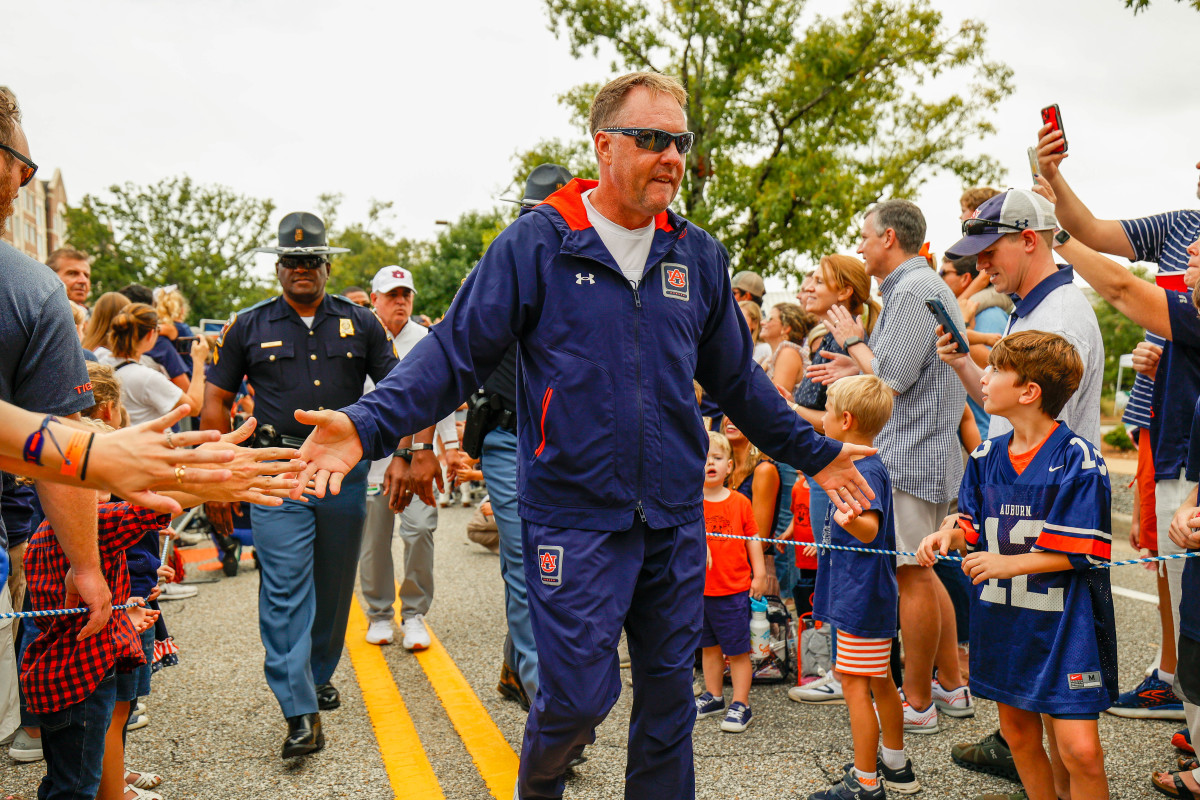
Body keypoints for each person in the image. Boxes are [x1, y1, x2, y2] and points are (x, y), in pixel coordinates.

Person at [290, 72, 875, 800]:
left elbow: (738, 384)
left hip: (671, 517)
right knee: (576, 700)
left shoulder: (697, 256)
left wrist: (814, 454)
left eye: (680, 142)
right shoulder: (538, 245)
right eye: (652, 139)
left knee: (668, 706)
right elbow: (452, 354)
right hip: (571, 515)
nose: (671, 157)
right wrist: (366, 425)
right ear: (603, 146)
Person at [201, 211, 399, 759]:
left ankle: (316, 672)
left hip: (340, 470)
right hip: (276, 468)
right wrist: (215, 471)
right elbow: (214, 399)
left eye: (311, 259)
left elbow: (399, 387)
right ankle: (299, 710)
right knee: (285, 585)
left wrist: (406, 450)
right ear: (279, 269)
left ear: (327, 265)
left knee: (334, 583)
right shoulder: (248, 325)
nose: (302, 269)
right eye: (291, 261)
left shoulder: (362, 322)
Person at [1037, 128, 1200, 733]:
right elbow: (1097, 233)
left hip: (1192, 444)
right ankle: (1181, 694)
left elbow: (1122, 287)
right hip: (1173, 428)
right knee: (1173, 570)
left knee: (1191, 580)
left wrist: (1052, 237)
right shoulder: (1181, 223)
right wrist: (1053, 182)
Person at [918, 331, 1116, 800]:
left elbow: (1082, 550)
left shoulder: (1079, 460)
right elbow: (970, 524)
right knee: (1021, 736)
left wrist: (1006, 565)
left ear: (1029, 391)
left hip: (1068, 627)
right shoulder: (985, 457)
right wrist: (949, 535)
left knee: (1081, 750)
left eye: (996, 370)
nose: (983, 377)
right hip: (1006, 622)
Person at [810, 199, 971, 734]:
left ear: (888, 239)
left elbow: (893, 380)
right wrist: (849, 361)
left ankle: (919, 702)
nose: (859, 245)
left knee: (910, 576)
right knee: (923, 571)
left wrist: (855, 341)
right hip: (926, 453)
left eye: (864, 235)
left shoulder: (912, 291)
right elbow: (896, 373)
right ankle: (950, 684)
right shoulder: (921, 288)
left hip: (909, 456)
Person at [480, 163, 574, 710]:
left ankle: (520, 669)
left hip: (569, 449)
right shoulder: (497, 271)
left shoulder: (598, 273)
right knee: (527, 565)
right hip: (509, 438)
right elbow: (447, 359)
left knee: (559, 569)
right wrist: (417, 447)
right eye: (537, 215)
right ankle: (551, 707)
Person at [809, 375, 918, 800]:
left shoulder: (862, 467)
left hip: (861, 595)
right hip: (866, 593)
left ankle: (866, 782)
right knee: (880, 680)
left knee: (855, 685)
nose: (824, 418)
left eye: (828, 411)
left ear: (846, 419)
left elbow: (870, 528)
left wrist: (846, 515)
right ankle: (895, 763)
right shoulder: (866, 460)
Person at [359, 264, 462, 649]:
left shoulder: (427, 340)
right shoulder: (363, 338)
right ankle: (380, 613)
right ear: (375, 300)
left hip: (419, 454)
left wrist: (449, 448)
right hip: (374, 460)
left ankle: (415, 613)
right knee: (375, 540)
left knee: (419, 530)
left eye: (405, 295)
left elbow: (442, 400)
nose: (400, 302)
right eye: (391, 295)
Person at [695, 431, 765, 733]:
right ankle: (713, 695)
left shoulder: (739, 502)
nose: (710, 463)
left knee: (737, 651)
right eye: (704, 458)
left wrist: (759, 573)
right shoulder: (692, 504)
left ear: (729, 466)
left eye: (717, 458)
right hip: (700, 591)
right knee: (708, 648)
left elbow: (753, 539)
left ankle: (741, 702)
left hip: (733, 590)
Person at [100, 303, 209, 425]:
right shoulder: (147, 378)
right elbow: (193, 408)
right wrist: (199, 362)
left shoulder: (100, 359)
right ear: (151, 334)